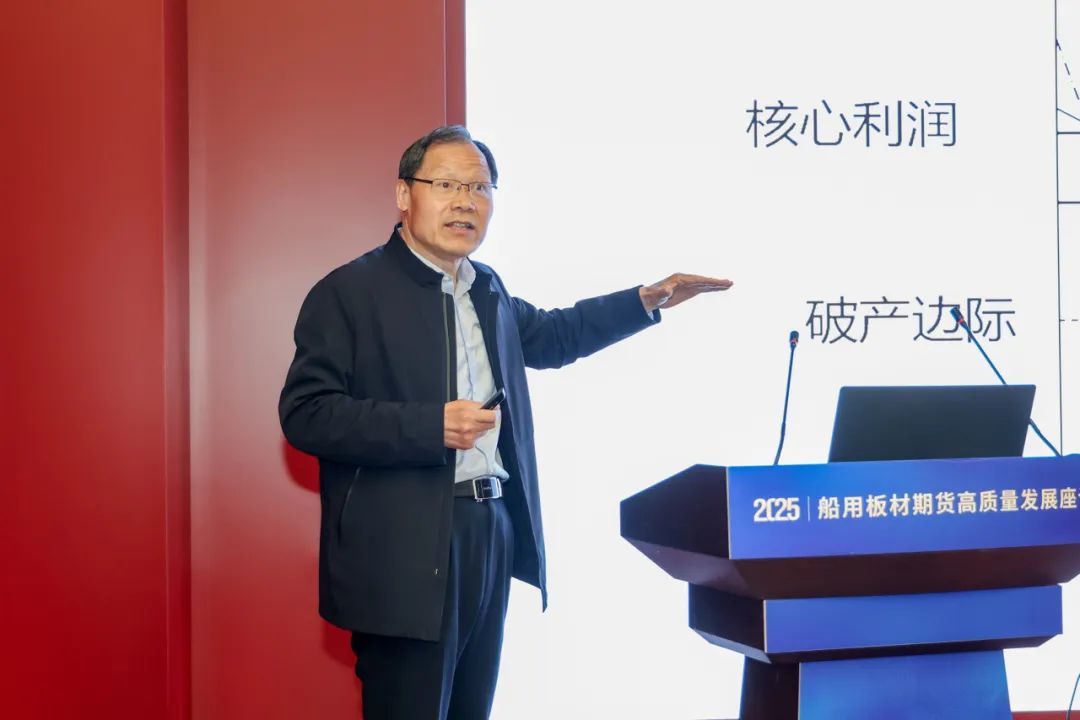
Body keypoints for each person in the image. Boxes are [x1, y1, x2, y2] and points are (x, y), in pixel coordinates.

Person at [278, 125, 732, 720]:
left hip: (488, 529)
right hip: (403, 549)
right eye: (447, 185)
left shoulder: (486, 288)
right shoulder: (350, 292)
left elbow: (554, 335)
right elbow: (307, 414)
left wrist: (646, 300)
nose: (465, 202)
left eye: (479, 188)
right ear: (404, 194)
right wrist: (429, 427)